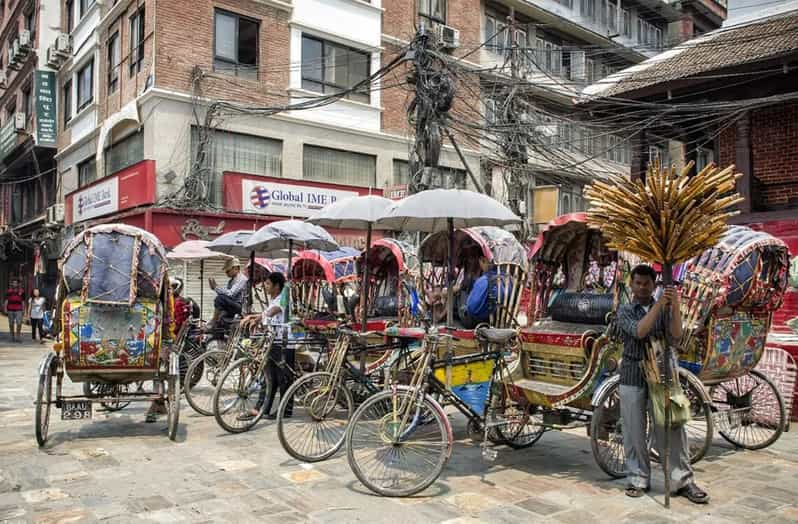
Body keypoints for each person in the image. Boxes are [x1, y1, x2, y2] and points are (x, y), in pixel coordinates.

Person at [616, 264, 709, 503]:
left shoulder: (666, 309)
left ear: (654, 284)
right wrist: (659, 304)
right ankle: (637, 478)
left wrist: (674, 305)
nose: (642, 287)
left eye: (647, 283)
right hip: (633, 375)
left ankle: (683, 480)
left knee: (672, 427)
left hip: (663, 374)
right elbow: (639, 331)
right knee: (634, 431)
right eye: (638, 283)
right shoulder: (626, 310)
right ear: (632, 284)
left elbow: (676, 336)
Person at [241, 271, 294, 419]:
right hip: (273, 340)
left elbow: (273, 311)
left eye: (269, 284)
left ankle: (285, 410)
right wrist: (252, 317)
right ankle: (262, 408)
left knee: (283, 378)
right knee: (269, 377)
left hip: (285, 342)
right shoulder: (275, 298)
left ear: (277, 286)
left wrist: (258, 319)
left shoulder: (284, 297)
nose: (266, 286)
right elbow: (266, 312)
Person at [209, 257, 248, 327]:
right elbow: (226, 296)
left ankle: (213, 320)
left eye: (228, 271)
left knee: (219, 298)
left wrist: (216, 287)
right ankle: (217, 321)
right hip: (233, 305)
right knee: (220, 301)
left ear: (235, 268)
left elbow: (230, 294)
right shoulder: (231, 281)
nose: (226, 273)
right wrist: (216, 287)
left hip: (240, 307)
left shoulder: (242, 279)